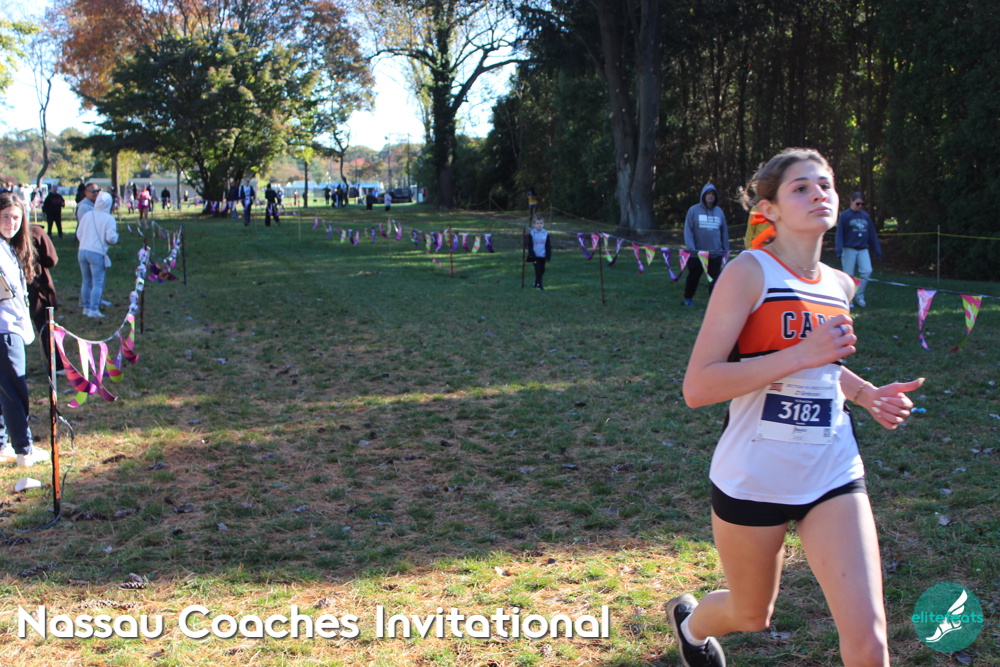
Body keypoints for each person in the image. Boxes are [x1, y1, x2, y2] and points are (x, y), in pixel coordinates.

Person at [671, 148, 924, 667]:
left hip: (832, 468)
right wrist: (800, 354)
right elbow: (699, 386)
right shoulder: (748, 273)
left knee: (870, 639)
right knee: (751, 614)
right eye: (801, 187)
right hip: (754, 476)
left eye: (825, 184)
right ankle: (691, 627)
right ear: (770, 209)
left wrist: (865, 394)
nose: (818, 194)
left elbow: (824, 368)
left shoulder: (840, 284)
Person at [0, 192, 49, 468]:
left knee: (4, 389)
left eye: (16, 218)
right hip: (4, 329)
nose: (11, 223)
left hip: (12, 326)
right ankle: (24, 450)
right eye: (6, 216)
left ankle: (2, 444)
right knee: (14, 389)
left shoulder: (7, 246)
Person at [682, 183, 729, 306]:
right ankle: (688, 298)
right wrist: (691, 247)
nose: (710, 196)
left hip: (715, 254)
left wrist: (725, 249)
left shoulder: (719, 212)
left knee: (715, 280)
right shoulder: (693, 210)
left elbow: (724, 232)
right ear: (703, 195)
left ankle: (714, 303)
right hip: (696, 254)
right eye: (708, 193)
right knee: (693, 278)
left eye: (713, 194)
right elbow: (688, 230)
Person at [77, 191, 118, 318]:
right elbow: (111, 238)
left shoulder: (87, 215)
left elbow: (79, 234)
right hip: (97, 252)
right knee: (97, 282)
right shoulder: (109, 219)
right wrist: (116, 237)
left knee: (86, 281)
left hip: (82, 250)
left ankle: (86, 307)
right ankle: (94, 309)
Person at [836, 192, 881, 308]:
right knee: (848, 275)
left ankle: (859, 294)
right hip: (849, 248)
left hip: (863, 249)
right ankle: (848, 299)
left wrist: (877, 250)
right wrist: (839, 249)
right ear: (851, 202)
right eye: (858, 203)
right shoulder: (845, 215)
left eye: (862, 204)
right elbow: (840, 233)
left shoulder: (865, 215)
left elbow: (872, 233)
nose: (860, 206)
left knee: (867, 271)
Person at [27, 223, 62, 373]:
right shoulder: (35, 231)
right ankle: (58, 365)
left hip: (27, 286)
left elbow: (50, 260)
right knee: (45, 326)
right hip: (34, 285)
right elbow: (51, 259)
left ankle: (57, 365)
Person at [524, 216, 552, 290]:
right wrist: (532, 255)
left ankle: (536, 282)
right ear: (534, 224)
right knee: (538, 270)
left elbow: (548, 246)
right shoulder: (532, 234)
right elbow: (529, 246)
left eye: (541, 223)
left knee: (542, 269)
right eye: (538, 223)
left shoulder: (546, 234)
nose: (539, 225)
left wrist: (548, 256)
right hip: (535, 256)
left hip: (543, 255)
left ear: (543, 224)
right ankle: (540, 285)